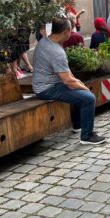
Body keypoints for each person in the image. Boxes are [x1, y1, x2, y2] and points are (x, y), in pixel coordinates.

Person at [32, 17, 105, 145]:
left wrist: (78, 84)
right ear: (66, 32)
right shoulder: (56, 52)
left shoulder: (45, 41)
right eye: (71, 31)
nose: (71, 33)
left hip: (45, 84)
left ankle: (77, 125)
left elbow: (68, 76)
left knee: (78, 89)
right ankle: (86, 136)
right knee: (89, 98)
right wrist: (84, 88)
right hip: (47, 88)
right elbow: (67, 81)